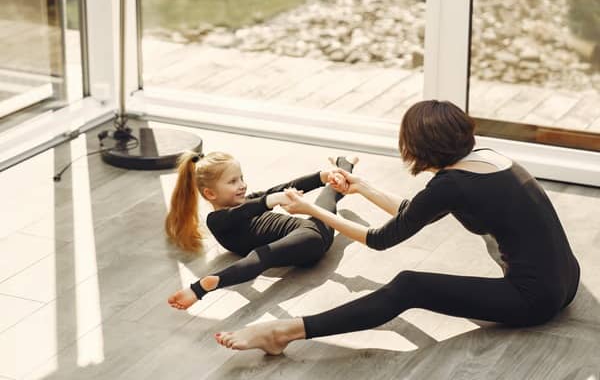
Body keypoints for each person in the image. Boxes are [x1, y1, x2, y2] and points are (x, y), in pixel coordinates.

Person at [213, 100, 581, 355]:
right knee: (418, 285)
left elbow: (380, 239)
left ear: (418, 147)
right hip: (566, 282)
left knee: (410, 286)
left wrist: (312, 209)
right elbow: (413, 213)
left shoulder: (451, 184)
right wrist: (361, 188)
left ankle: (283, 332)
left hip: (535, 300)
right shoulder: (486, 160)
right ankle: (287, 331)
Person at [165, 150, 358, 309]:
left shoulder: (250, 200)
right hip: (304, 243)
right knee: (261, 256)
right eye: (233, 182)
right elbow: (244, 211)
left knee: (330, 194)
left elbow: (282, 188)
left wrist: (322, 177)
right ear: (210, 193)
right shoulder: (217, 220)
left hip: (310, 234)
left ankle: (342, 166)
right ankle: (203, 286)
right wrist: (272, 200)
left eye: (241, 178)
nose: (242, 185)